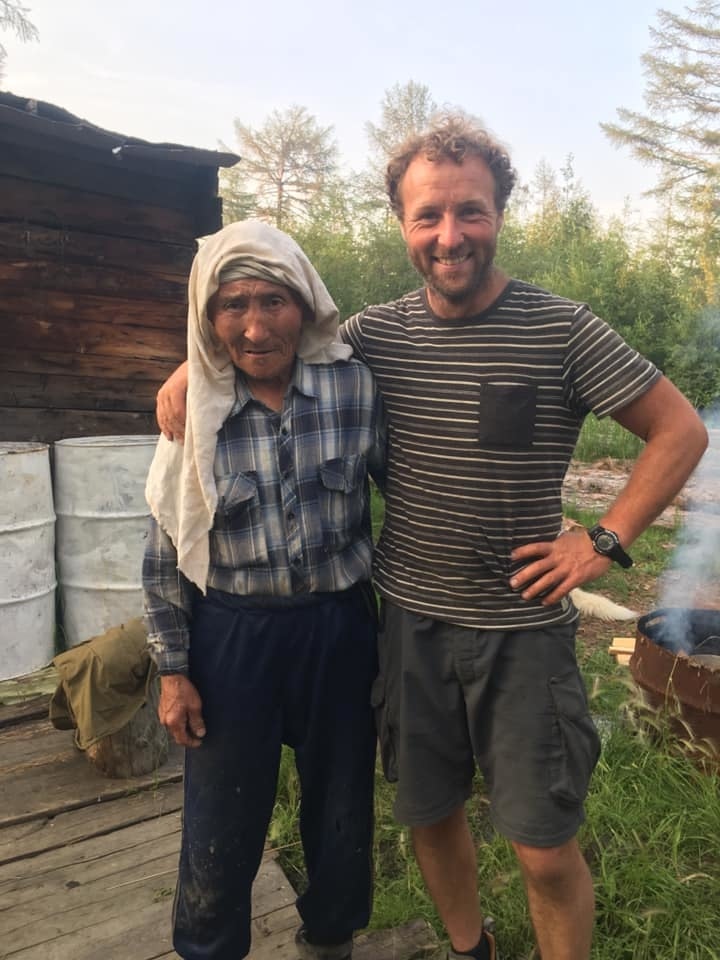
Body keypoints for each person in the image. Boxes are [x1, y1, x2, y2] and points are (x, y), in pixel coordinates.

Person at [155, 116, 708, 960]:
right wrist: (197, 360)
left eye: (470, 212)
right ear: (402, 223)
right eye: (428, 216)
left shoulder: (563, 329)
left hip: (523, 633)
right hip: (407, 627)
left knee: (544, 848)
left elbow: (679, 431)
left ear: (500, 211)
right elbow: (268, 334)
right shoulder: (374, 338)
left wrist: (604, 538)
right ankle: (469, 948)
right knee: (429, 816)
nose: (450, 236)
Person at [143, 220, 385, 960]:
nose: (254, 326)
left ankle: (332, 936)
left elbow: (409, 491)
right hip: (233, 639)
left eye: (273, 300)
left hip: (340, 628)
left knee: (343, 806)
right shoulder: (195, 406)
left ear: (305, 303)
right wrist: (175, 670)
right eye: (233, 305)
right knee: (220, 819)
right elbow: (165, 547)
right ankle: (210, 948)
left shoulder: (354, 383)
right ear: (207, 319)